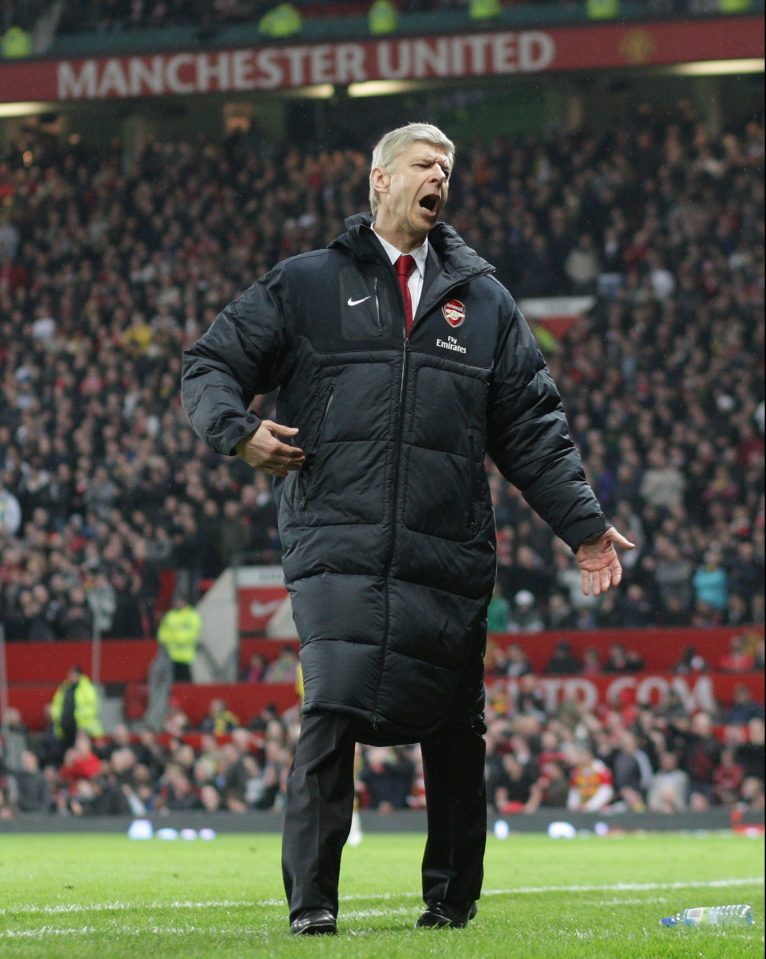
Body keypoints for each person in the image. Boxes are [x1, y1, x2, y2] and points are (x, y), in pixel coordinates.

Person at [181, 121, 633, 936]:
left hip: (447, 548)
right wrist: (238, 431)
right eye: (425, 164)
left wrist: (588, 528)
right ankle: (312, 902)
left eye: (449, 168)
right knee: (331, 708)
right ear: (379, 180)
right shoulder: (307, 284)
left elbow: (533, 426)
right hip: (335, 543)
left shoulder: (484, 300)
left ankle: (450, 901)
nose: (440, 177)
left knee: (456, 725)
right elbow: (209, 363)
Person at [49, 665, 104, 759]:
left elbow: (92, 708)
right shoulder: (64, 688)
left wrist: (80, 720)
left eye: (72, 675)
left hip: (81, 728)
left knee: (81, 754)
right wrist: (57, 716)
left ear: (79, 675)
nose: (70, 677)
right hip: (65, 727)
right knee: (66, 754)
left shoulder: (87, 688)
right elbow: (56, 704)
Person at [156, 591, 202, 682]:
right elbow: (162, 634)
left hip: (186, 655)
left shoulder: (192, 616)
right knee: (173, 682)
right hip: (171, 655)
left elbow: (192, 634)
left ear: (185, 602)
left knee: (186, 681)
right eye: (176, 601)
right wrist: (176, 637)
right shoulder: (170, 616)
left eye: (180, 601)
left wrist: (174, 637)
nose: (177, 603)